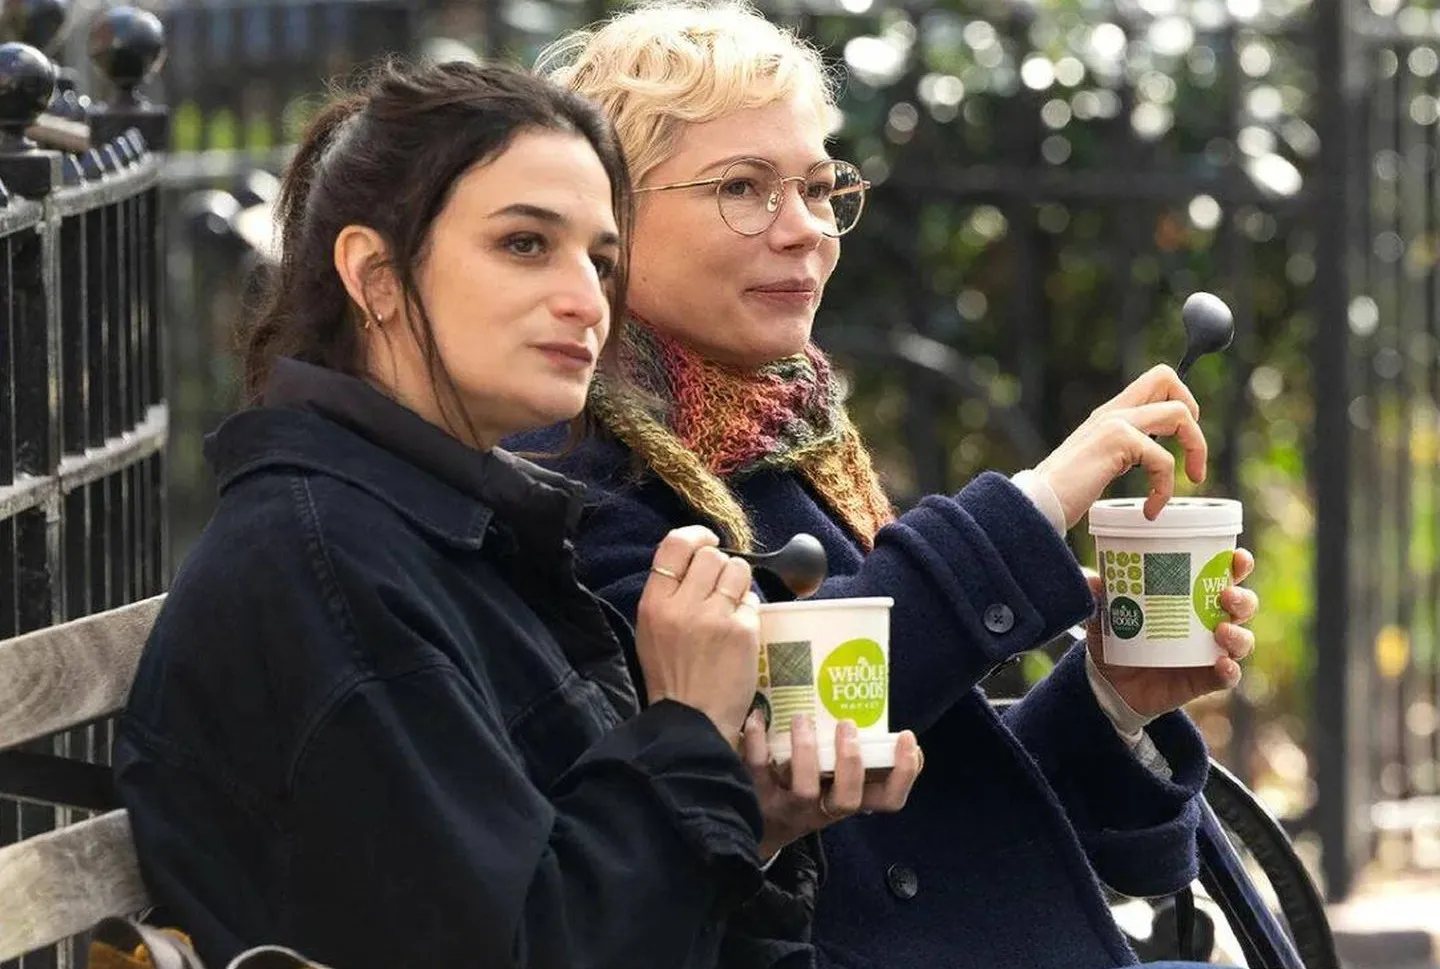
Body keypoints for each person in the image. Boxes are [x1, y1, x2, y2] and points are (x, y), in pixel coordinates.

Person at [513, 4, 1262, 968]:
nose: (806, 231)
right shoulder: (571, 458)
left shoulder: (791, 434)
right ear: (607, 216)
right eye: (744, 187)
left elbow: (932, 810)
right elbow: (778, 740)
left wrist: (1118, 700)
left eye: (820, 188)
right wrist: (1039, 499)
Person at [114, 59, 857, 969]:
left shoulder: (455, 528)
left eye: (601, 257)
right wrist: (688, 728)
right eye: (524, 244)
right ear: (375, 274)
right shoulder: (326, 572)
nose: (588, 299)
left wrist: (753, 812)